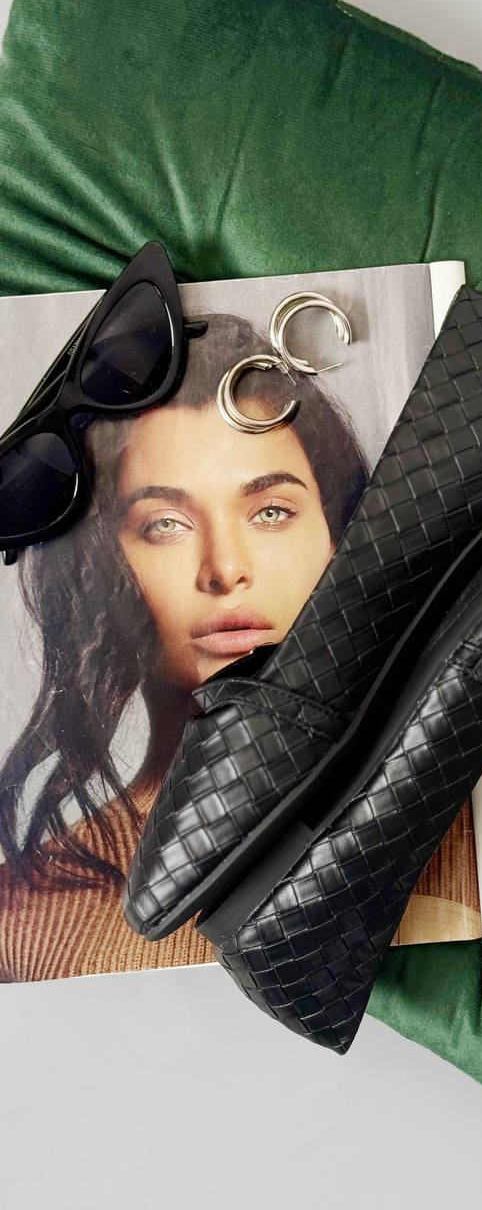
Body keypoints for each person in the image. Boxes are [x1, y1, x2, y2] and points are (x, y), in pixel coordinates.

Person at [0, 313, 369, 981]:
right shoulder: (23, 920)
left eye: (271, 512)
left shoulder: (458, 818)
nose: (225, 570)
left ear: (337, 537)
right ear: (98, 571)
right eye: (165, 524)